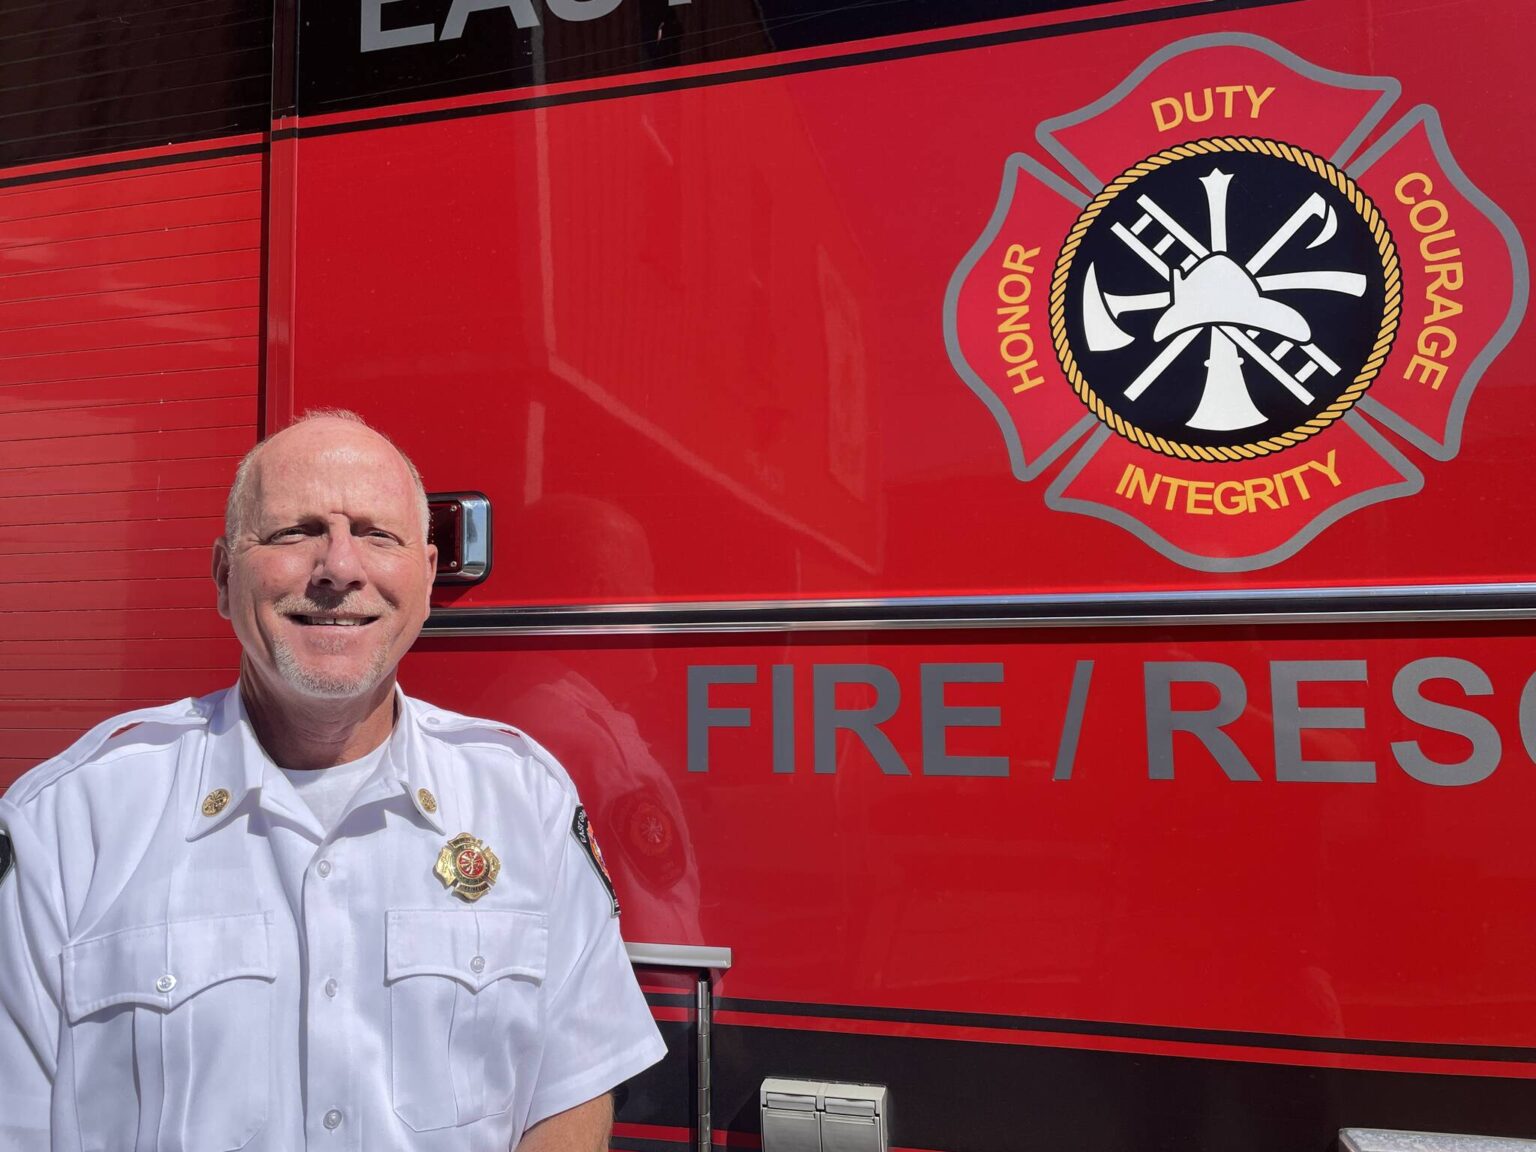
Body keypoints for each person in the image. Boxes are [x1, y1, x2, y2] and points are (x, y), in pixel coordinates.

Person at [0, 411, 665, 1150]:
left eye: (378, 534)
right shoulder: (68, 822)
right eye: (294, 532)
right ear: (224, 576)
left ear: (428, 574)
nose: (340, 567)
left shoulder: (526, 801)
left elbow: (568, 1096)